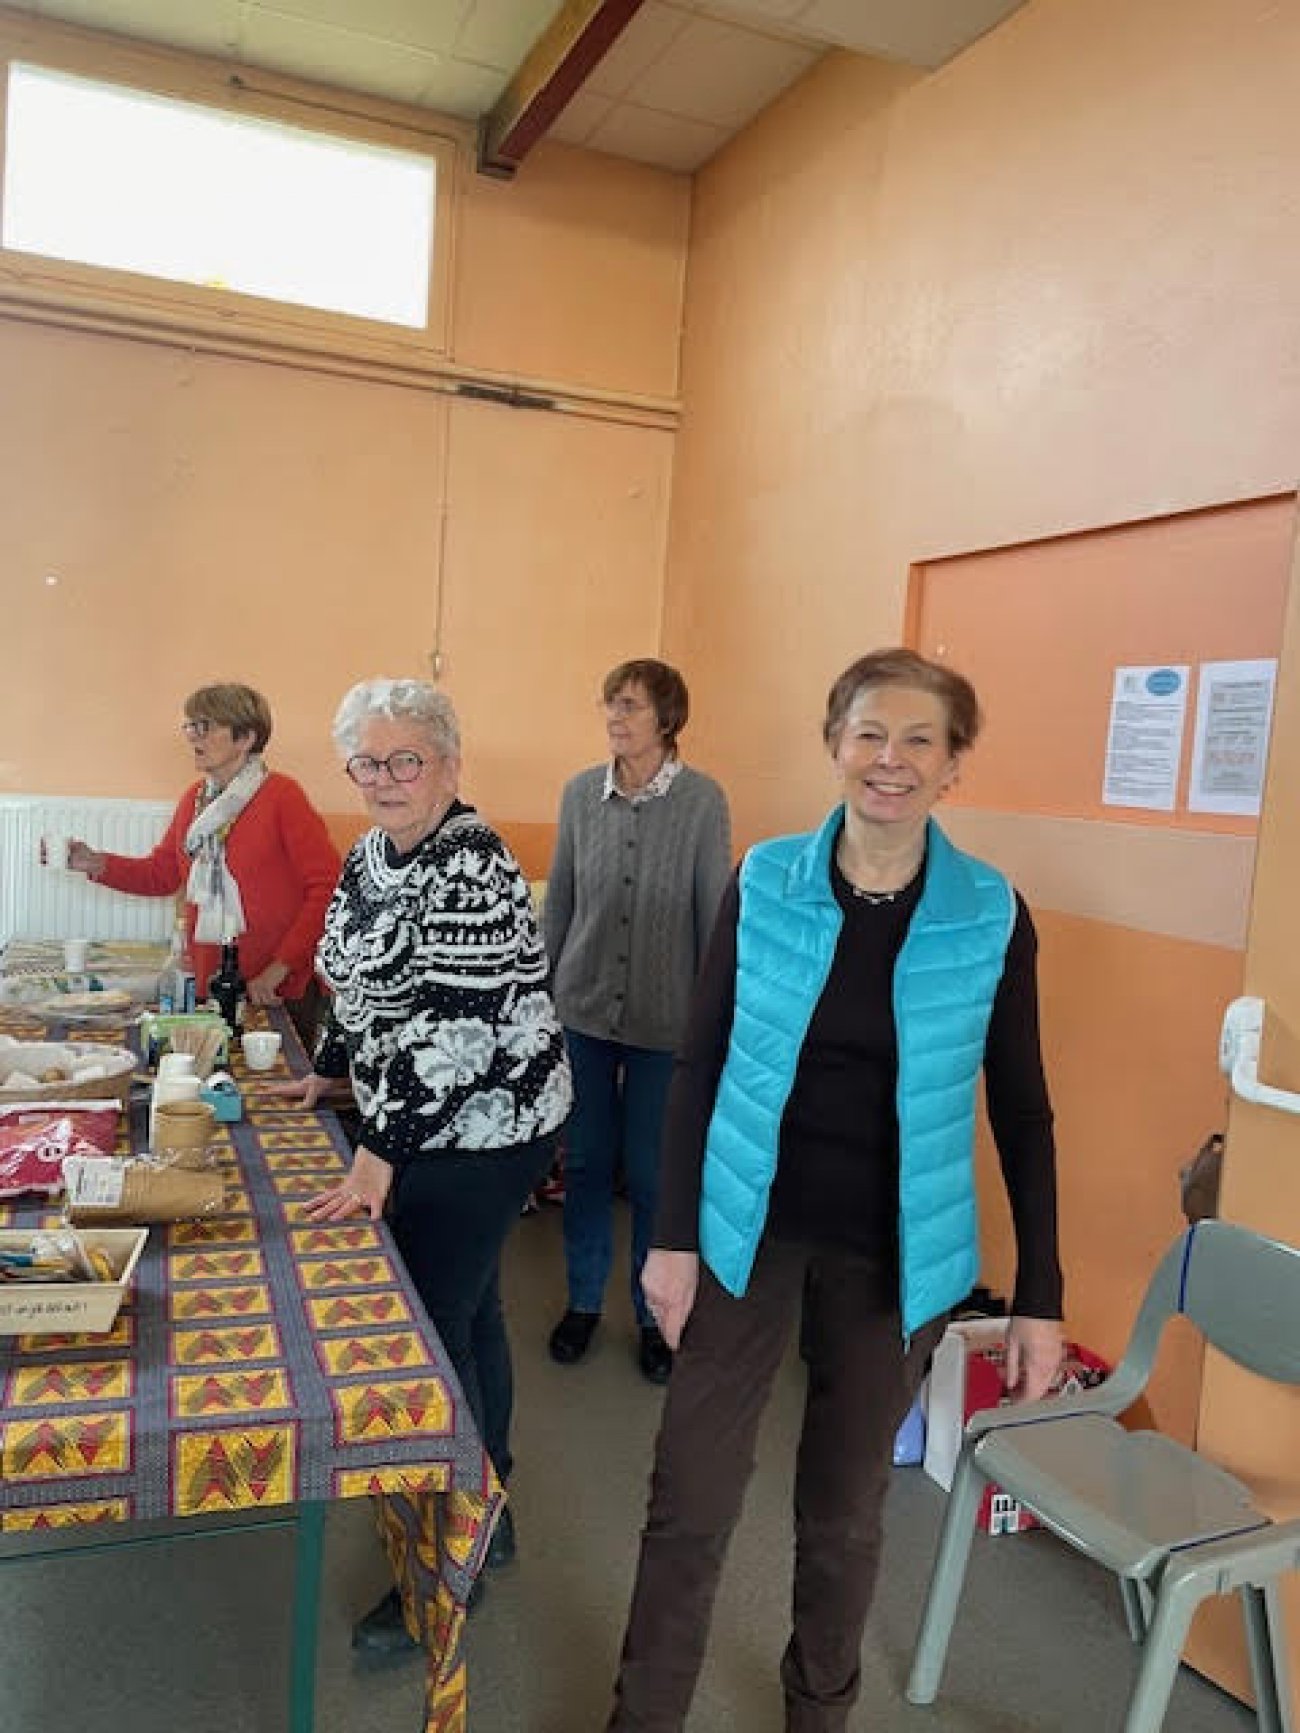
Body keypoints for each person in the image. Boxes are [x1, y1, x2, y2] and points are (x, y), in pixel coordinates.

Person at [606, 647, 1064, 1733]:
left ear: (953, 764)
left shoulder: (991, 914)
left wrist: (1040, 1297)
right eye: (869, 733)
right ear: (833, 744)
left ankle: (818, 1714)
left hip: (894, 1256)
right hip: (742, 1231)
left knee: (844, 1515)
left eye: (919, 739)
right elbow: (699, 1063)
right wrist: (669, 1238)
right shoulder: (765, 879)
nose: (890, 759)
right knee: (690, 1499)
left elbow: (1023, 1113)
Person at [272, 677, 572, 1651]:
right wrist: (331, 1068)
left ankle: (452, 1558)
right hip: (417, 1117)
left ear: (449, 763)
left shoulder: (471, 862)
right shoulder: (370, 852)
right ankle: (491, 1505)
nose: (386, 777)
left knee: (431, 1332)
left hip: (487, 1127)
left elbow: (457, 1032)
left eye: (407, 758)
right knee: (470, 1310)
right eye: (368, 761)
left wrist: (377, 1154)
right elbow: (348, 979)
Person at [544, 658, 730, 1384]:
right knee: (586, 1164)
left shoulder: (702, 801)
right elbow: (560, 902)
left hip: (667, 1022)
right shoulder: (578, 794)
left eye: (630, 705)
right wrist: (540, 997)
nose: (615, 717)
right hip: (582, 1010)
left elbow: (714, 916)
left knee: (655, 1175)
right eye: (611, 704)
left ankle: (656, 1316)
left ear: (667, 717)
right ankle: (583, 1302)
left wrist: (713, 1021)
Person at [57, 682, 339, 1043]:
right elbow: (161, 874)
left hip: (274, 986)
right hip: (211, 980)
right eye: (190, 726)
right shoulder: (194, 799)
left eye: (204, 726)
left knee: (275, 1079)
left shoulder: (283, 796)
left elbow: (328, 887)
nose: (192, 736)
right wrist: (95, 863)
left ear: (245, 738)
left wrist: (279, 968)